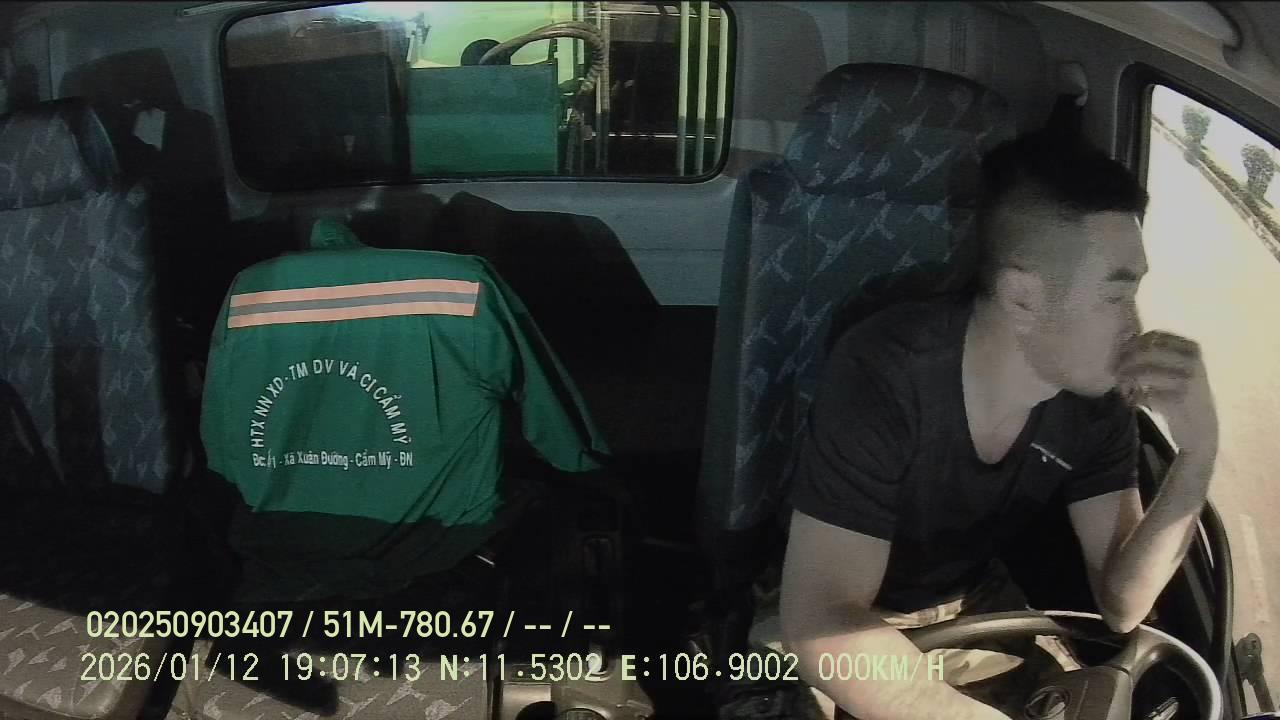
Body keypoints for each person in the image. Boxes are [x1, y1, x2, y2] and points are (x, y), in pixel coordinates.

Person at [778, 128, 1220, 720]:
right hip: (829, 616)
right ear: (1022, 297)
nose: (1135, 327)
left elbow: (1122, 604)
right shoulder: (884, 370)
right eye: (1115, 298)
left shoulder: (1095, 405)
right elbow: (822, 618)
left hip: (973, 607)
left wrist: (1198, 454)